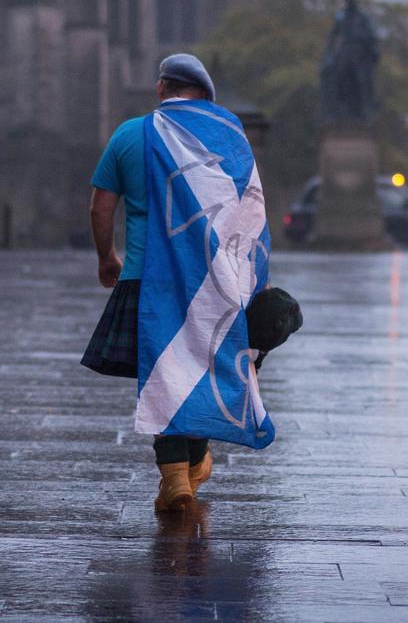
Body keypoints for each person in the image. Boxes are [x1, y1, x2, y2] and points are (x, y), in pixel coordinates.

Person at [82, 54, 275, 513]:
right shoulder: (229, 137)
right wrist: (256, 280)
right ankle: (189, 468)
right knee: (204, 367)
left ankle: (175, 478)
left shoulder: (131, 134)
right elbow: (250, 213)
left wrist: (107, 257)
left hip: (146, 278)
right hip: (214, 280)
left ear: (160, 87)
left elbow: (100, 207)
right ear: (206, 96)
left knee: (164, 374)